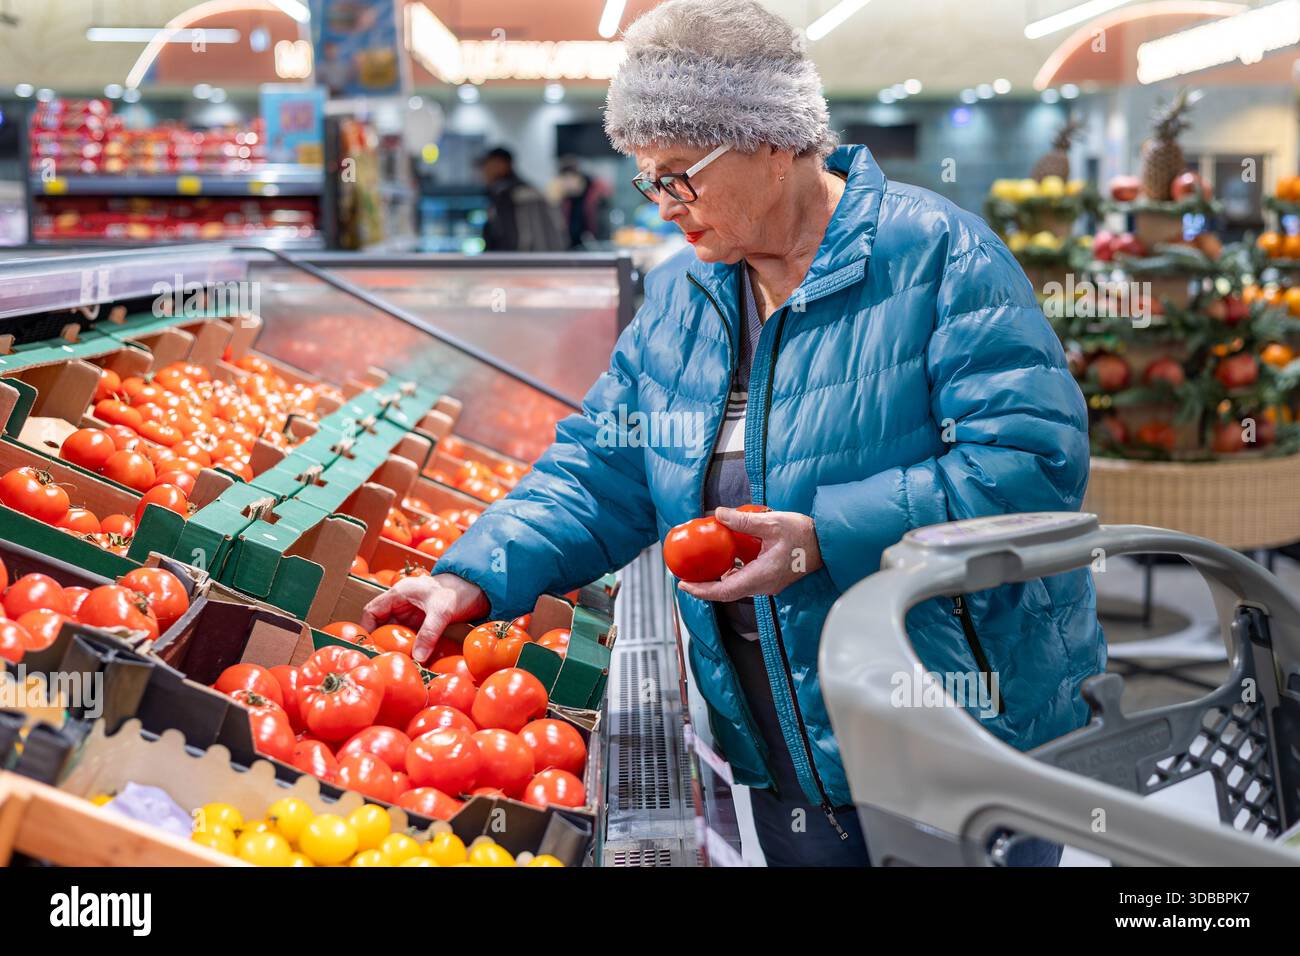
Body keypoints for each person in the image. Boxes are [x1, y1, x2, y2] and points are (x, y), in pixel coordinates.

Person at [364, 0, 1103, 867]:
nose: (665, 201)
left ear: (776, 139)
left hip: (956, 721)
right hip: (779, 738)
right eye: (649, 178)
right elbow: (604, 469)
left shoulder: (942, 256)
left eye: (681, 173)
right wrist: (472, 575)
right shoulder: (687, 295)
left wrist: (829, 537)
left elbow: (1029, 464)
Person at [477, 146, 566, 252]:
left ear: (501, 165)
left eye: (487, 166)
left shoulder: (514, 195)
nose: (484, 172)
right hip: (525, 260)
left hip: (519, 261)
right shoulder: (512, 191)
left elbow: (514, 237)